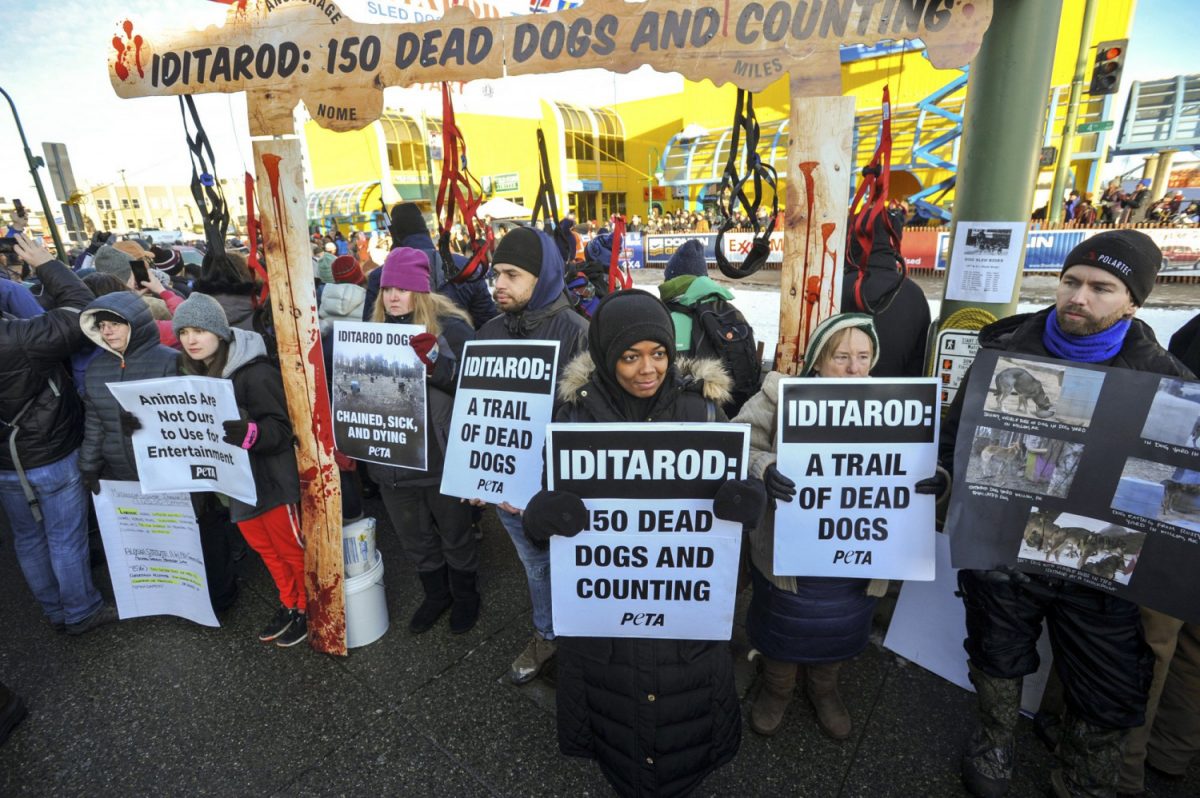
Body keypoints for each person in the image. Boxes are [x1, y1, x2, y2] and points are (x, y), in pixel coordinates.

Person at [940, 230, 1193, 798]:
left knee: (1109, 681)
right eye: (1071, 282)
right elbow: (955, 438)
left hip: (1103, 562)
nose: (1080, 297)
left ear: (1133, 302)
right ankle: (995, 739)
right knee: (996, 652)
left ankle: (1083, 772)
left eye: (1102, 288)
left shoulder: (1169, 381)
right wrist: (942, 481)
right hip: (1003, 548)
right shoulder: (1004, 350)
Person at [522, 289, 764, 798]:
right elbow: (555, 533)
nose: (646, 369)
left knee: (685, 747)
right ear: (608, 356)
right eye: (630, 356)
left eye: (658, 353)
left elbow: (723, 538)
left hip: (686, 633)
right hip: (606, 631)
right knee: (622, 748)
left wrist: (743, 507)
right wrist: (541, 521)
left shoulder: (703, 412)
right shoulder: (572, 420)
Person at [735, 313, 946, 738]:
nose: (855, 368)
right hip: (787, 558)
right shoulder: (778, 397)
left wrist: (936, 480)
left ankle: (825, 688)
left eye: (864, 356)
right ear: (817, 361)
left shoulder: (895, 406)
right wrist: (764, 465)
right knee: (782, 625)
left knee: (842, 626)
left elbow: (914, 465)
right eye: (842, 357)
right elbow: (736, 442)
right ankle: (777, 689)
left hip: (858, 558)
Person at [473, 225, 589, 684]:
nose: (498, 284)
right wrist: (481, 478)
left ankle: (585, 639)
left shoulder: (579, 335)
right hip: (508, 495)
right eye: (495, 273)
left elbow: (587, 427)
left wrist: (538, 487)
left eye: (512, 275)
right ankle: (546, 634)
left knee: (577, 566)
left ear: (541, 278)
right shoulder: (488, 331)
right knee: (536, 569)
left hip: (557, 493)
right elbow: (479, 418)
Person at [173, 292, 307, 647]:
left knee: (291, 550)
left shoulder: (255, 373)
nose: (191, 339)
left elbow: (282, 429)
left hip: (272, 482)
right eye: (184, 332)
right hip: (236, 486)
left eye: (199, 330)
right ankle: (290, 603)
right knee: (266, 550)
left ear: (219, 331)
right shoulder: (195, 373)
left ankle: (310, 608)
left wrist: (252, 433)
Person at [0, 233, 116, 635]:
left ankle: (55, 611)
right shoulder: (16, 339)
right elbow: (84, 310)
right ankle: (80, 610)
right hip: (50, 452)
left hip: (5, 464)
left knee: (28, 540)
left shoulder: (18, 333)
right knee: (64, 538)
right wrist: (47, 264)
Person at [370, 247, 480, 634]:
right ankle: (436, 594)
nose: (393, 296)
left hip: (440, 459)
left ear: (421, 291)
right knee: (414, 538)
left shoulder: (452, 327)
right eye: (387, 288)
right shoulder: (370, 333)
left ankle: (466, 595)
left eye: (402, 288)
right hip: (392, 465)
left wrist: (439, 365)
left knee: (456, 534)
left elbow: (480, 388)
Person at [657, 239, 761, 415]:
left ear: (672, 279)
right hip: (738, 413)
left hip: (690, 417)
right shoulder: (732, 312)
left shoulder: (667, 318)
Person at [362, 203, 497, 330]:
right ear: (425, 230)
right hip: (461, 348)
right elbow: (488, 323)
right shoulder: (465, 266)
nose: (393, 295)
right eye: (388, 290)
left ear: (395, 236)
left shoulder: (380, 275)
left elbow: (371, 332)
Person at [842, 204, 930, 377]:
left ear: (851, 238)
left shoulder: (834, 288)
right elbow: (920, 360)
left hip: (833, 398)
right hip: (896, 399)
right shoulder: (914, 294)